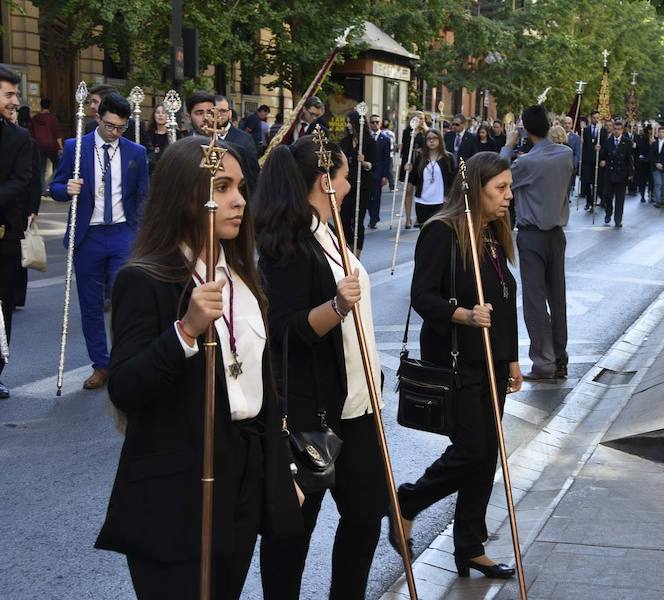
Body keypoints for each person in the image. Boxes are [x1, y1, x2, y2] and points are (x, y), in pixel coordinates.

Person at [94, 136, 304, 599]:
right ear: (186, 195)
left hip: (244, 472)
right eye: (223, 187)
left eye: (242, 188)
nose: (239, 201)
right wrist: (185, 331)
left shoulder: (245, 277)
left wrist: (282, 467)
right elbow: (125, 387)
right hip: (177, 486)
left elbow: (262, 383)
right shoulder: (145, 279)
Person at [255, 137, 388, 600]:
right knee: (293, 531)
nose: (351, 186)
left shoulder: (331, 231)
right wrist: (335, 306)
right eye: (346, 177)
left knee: (367, 514)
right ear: (324, 182)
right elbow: (284, 331)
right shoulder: (289, 244)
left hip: (359, 404)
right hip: (315, 414)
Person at [397, 151, 522, 580]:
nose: (508, 196)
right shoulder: (442, 232)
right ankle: (409, 500)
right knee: (472, 449)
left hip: (491, 364)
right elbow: (421, 296)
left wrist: (512, 359)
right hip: (455, 362)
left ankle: (469, 547)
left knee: (487, 457)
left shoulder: (492, 234)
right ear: (476, 189)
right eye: (500, 188)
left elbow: (505, 302)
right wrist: (463, 313)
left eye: (509, 187)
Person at [50, 92, 148, 389]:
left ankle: (123, 360)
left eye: (120, 127)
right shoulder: (74, 147)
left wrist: (142, 232)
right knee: (91, 306)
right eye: (109, 126)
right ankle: (101, 364)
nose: (114, 132)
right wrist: (66, 188)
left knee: (125, 301)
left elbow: (144, 195)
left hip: (122, 234)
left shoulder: (136, 152)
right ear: (98, 118)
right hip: (88, 236)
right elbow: (53, 186)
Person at [501, 105, 572, 380]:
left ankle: (543, 362)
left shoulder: (526, 163)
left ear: (526, 129)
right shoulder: (566, 154)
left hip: (531, 235)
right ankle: (560, 356)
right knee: (558, 298)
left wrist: (508, 146)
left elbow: (497, 175)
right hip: (557, 234)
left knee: (534, 302)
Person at [0, 67, 34, 398]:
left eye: (16, 95)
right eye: (9, 94)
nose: (15, 101)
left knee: (2, 306)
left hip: (3, 237)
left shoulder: (19, 138)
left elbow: (22, 179)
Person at [8, 106, 41, 310]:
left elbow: (35, 178)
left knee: (18, 251)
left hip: (22, 205)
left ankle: (16, 296)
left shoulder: (28, 141)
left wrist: (34, 207)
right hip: (8, 204)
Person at [340, 110, 376, 255]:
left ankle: (357, 254)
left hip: (362, 187)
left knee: (357, 220)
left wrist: (365, 163)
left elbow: (374, 165)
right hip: (347, 186)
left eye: (350, 122)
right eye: (346, 122)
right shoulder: (345, 141)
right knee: (344, 218)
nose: (348, 125)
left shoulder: (369, 141)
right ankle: (347, 249)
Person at [407, 128, 456, 227]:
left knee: (438, 231)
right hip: (422, 202)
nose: (432, 141)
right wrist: (410, 169)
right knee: (424, 231)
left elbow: (453, 180)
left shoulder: (448, 158)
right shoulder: (420, 158)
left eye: (434, 138)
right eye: (429, 138)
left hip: (441, 202)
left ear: (440, 140)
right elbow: (414, 180)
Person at [211, 96, 260, 196]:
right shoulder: (204, 137)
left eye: (222, 111)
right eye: (214, 111)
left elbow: (252, 176)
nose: (218, 115)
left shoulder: (245, 140)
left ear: (230, 113)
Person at [599, 119, 634, 227]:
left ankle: (618, 219)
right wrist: (601, 157)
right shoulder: (608, 141)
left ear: (622, 130)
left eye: (619, 129)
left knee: (620, 199)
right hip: (610, 173)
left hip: (621, 174)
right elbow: (604, 155)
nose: (617, 131)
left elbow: (630, 159)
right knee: (607, 196)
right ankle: (608, 212)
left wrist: (630, 174)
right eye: (615, 129)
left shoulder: (627, 142)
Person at [400, 112, 428, 229]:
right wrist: (405, 163)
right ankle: (407, 219)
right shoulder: (407, 132)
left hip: (422, 163)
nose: (421, 120)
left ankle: (419, 217)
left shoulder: (427, 132)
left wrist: (423, 150)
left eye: (423, 118)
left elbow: (429, 147)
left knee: (420, 191)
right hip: (409, 163)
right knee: (408, 190)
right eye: (419, 118)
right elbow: (405, 149)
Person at [29, 98, 63, 195]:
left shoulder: (35, 119)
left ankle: (42, 189)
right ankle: (51, 183)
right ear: (50, 106)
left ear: (41, 105)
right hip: (52, 146)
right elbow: (57, 134)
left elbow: (31, 134)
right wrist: (61, 147)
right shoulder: (53, 118)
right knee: (59, 165)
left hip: (38, 146)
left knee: (41, 169)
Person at [368, 113, 392, 229]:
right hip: (367, 172)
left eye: (377, 122)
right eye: (372, 122)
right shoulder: (366, 137)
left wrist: (385, 176)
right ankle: (372, 214)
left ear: (380, 123)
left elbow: (387, 159)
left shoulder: (385, 139)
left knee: (376, 197)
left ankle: (374, 218)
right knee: (367, 197)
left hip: (378, 173)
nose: (375, 124)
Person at [580, 111, 606, 210]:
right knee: (586, 181)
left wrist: (601, 149)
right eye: (594, 118)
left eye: (597, 118)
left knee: (595, 182)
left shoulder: (602, 130)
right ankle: (589, 200)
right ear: (591, 118)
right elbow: (584, 145)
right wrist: (582, 142)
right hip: (587, 160)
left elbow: (605, 145)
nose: (596, 120)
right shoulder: (586, 130)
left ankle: (594, 200)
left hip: (597, 160)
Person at [144, 105, 176, 176]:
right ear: (154, 115)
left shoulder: (175, 134)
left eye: (163, 113)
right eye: (158, 113)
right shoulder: (147, 134)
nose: (160, 115)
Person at [650, 126, 664, 208]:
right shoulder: (654, 144)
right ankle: (658, 201)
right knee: (658, 183)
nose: (661, 134)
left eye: (663, 132)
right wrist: (656, 163)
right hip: (655, 167)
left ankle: (662, 200)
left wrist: (662, 164)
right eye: (660, 132)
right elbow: (651, 155)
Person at [633, 124, 652, 203]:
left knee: (650, 180)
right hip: (644, 162)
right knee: (643, 180)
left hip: (650, 162)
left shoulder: (654, 138)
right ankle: (643, 194)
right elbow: (641, 148)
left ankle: (650, 194)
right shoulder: (643, 138)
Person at [563, 116, 581, 198]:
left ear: (572, 125)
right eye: (565, 123)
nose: (567, 125)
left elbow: (577, 153)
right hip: (558, 165)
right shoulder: (558, 136)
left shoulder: (576, 138)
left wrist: (574, 165)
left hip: (569, 166)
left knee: (567, 188)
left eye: (569, 123)